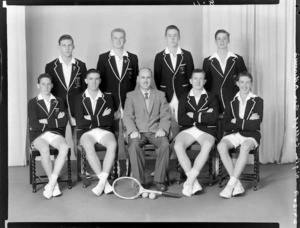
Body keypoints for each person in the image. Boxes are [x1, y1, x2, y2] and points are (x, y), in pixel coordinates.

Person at [123, 67, 171, 192]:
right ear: (138, 79)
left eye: (148, 77)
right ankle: (140, 182)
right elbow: (127, 116)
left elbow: (165, 115)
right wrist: (133, 131)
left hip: (156, 131)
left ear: (151, 79)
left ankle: (159, 181)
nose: (145, 80)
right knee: (134, 146)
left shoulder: (160, 95)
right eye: (143, 77)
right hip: (138, 132)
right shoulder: (131, 95)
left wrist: (163, 129)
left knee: (165, 144)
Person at [217, 71, 263, 198]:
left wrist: (236, 121)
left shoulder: (258, 101)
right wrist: (246, 122)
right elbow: (226, 125)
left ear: (251, 84)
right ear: (237, 83)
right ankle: (237, 183)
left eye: (247, 82)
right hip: (234, 134)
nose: (245, 85)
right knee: (221, 146)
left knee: (245, 147)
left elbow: (255, 125)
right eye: (242, 82)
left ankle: (230, 185)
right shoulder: (231, 102)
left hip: (251, 135)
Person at [174, 69, 219, 197]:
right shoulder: (184, 97)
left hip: (207, 130)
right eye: (195, 78)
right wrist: (205, 114)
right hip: (187, 129)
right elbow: (182, 119)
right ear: (190, 81)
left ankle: (189, 181)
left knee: (207, 145)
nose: (198, 81)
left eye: (201, 79)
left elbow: (214, 118)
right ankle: (194, 181)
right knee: (178, 146)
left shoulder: (212, 96)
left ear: (204, 81)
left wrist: (193, 115)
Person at [45, 34, 87, 164]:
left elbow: (85, 89)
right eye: (64, 45)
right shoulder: (51, 66)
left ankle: (81, 170)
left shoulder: (81, 65)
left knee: (78, 138)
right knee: (58, 139)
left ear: (73, 46)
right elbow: (48, 89)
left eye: (69, 45)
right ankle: (57, 171)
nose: (67, 48)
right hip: (58, 108)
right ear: (59, 47)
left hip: (77, 108)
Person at [74, 69, 117, 196]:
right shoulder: (78, 98)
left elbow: (108, 120)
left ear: (100, 80)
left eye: (97, 78)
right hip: (85, 132)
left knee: (112, 145)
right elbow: (80, 121)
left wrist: (90, 118)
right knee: (88, 146)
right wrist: (99, 117)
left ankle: (101, 183)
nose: (94, 81)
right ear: (86, 80)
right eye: (91, 79)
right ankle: (105, 183)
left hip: (104, 130)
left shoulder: (108, 97)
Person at [28, 73, 69, 199]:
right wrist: (54, 121)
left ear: (52, 85)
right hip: (38, 135)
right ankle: (54, 185)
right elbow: (34, 125)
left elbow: (63, 122)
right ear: (38, 85)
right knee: (44, 149)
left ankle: (51, 183)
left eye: (48, 84)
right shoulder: (33, 103)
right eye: (43, 84)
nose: (46, 87)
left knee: (64, 148)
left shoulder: (59, 101)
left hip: (55, 133)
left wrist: (44, 121)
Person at [154, 25, 194, 124]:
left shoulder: (187, 55)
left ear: (179, 37)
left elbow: (191, 77)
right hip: (166, 94)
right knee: (167, 122)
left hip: (183, 93)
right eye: (169, 36)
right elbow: (157, 78)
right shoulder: (159, 57)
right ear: (165, 37)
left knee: (183, 121)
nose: (172, 38)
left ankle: (180, 138)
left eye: (175, 35)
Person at [202, 29, 247, 114]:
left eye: (224, 38)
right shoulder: (208, 61)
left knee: (233, 126)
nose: (222, 41)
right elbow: (205, 85)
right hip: (215, 103)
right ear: (215, 41)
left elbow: (245, 82)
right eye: (219, 39)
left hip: (234, 101)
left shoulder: (237, 59)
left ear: (228, 40)